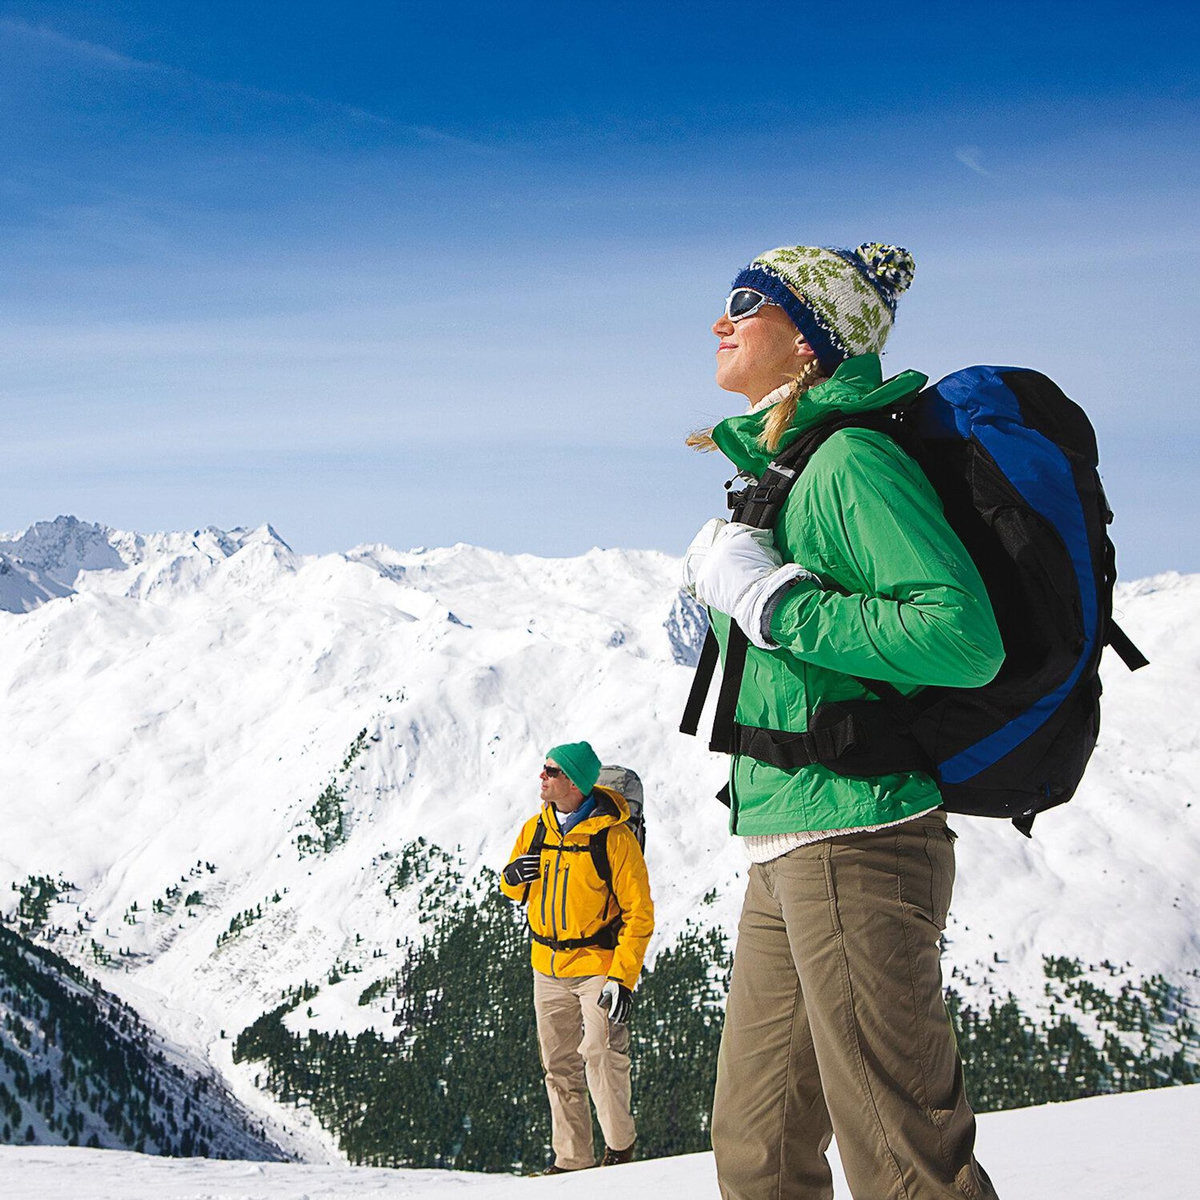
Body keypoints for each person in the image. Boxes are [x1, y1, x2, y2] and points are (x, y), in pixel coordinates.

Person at [682, 243, 1005, 1199]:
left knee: (905, 1164)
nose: (721, 321)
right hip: (787, 840)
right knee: (757, 1151)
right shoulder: (784, 471)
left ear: (811, 340)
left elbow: (960, 637)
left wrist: (776, 604)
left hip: (858, 839)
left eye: (748, 302)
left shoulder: (852, 461)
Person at [499, 740, 654, 1174]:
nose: (541, 777)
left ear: (574, 781)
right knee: (558, 1065)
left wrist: (622, 977)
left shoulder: (615, 838)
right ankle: (571, 1162)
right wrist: (511, 879)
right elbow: (514, 887)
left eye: (550, 771)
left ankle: (620, 1150)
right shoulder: (536, 829)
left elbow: (639, 913)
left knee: (601, 1052)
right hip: (546, 966)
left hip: (597, 965)